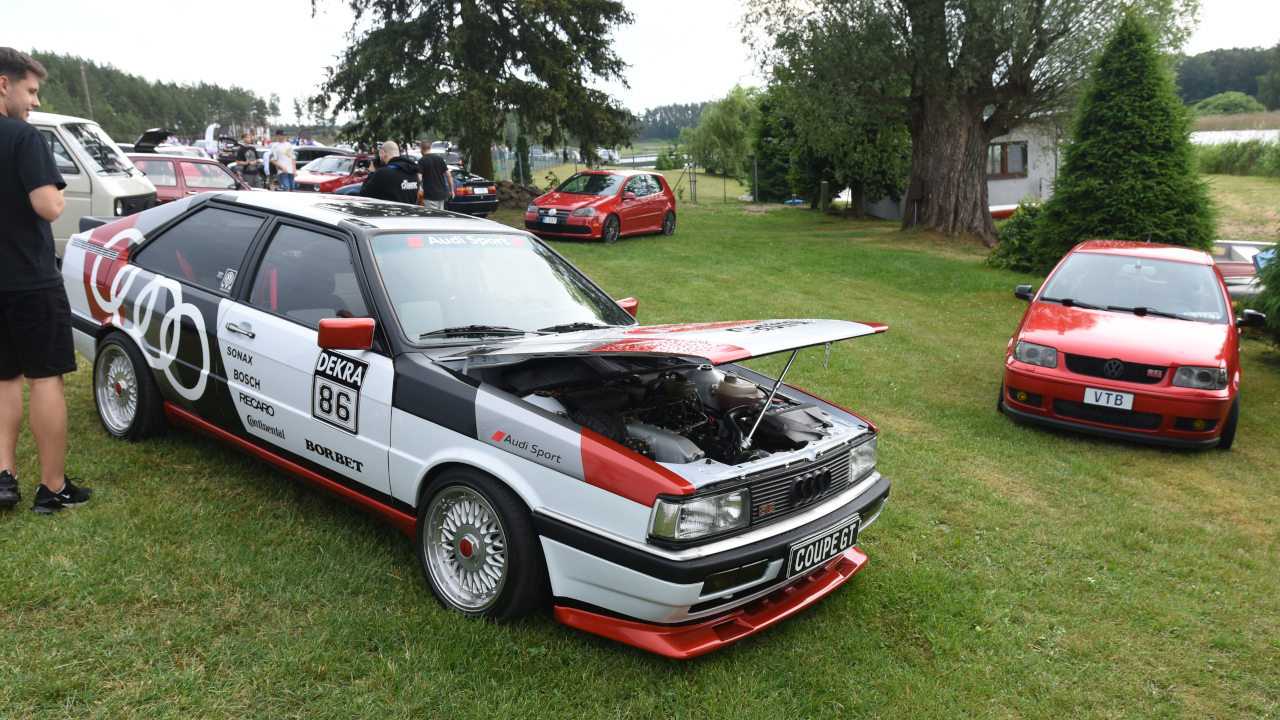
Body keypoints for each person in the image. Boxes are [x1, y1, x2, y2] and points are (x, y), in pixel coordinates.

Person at [0, 48, 92, 515]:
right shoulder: (24, 136)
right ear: (3, 84)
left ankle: (3, 476)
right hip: (29, 280)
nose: (35, 102)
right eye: (31, 91)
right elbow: (50, 207)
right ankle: (52, 488)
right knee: (44, 377)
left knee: (3, 378)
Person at [417, 140, 454, 211]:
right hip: (441, 196)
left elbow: (419, 178)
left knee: (432, 216)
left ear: (421, 149)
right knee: (440, 215)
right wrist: (451, 191)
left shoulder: (422, 161)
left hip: (430, 196)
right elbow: (449, 175)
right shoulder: (440, 159)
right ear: (430, 147)